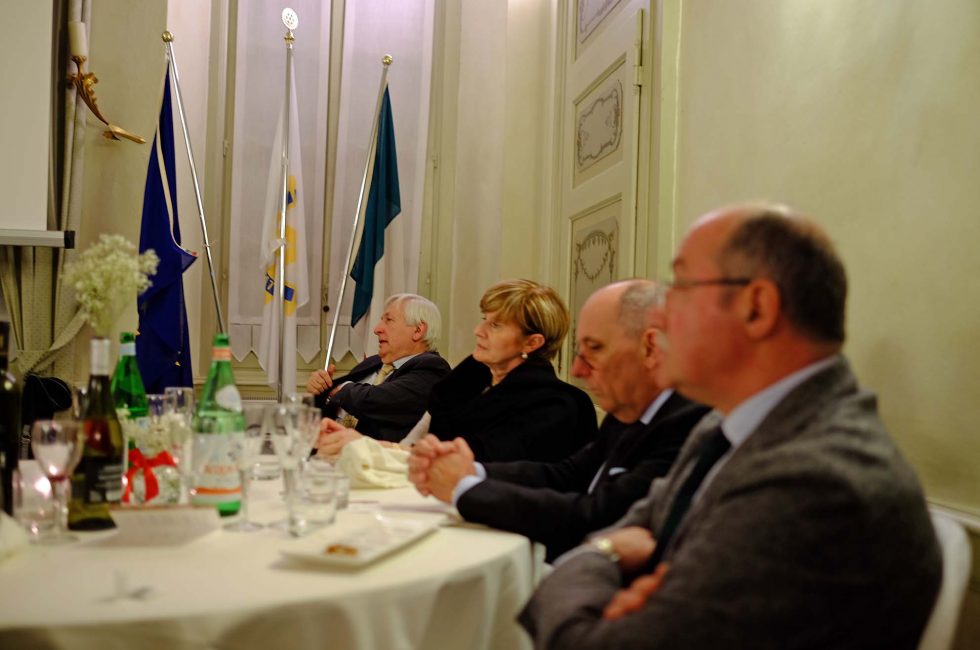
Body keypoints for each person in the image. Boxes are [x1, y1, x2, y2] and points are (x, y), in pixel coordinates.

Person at [520, 204, 942, 649]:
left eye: (680, 288)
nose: (658, 317)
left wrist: (597, 556)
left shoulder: (813, 482)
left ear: (756, 308)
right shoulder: (726, 425)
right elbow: (643, 522)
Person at [407, 280, 708, 561]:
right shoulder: (629, 410)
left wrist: (465, 488)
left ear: (651, 348)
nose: (577, 370)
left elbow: (596, 514)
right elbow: (568, 474)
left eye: (595, 348)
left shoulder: (690, 425)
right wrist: (474, 471)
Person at [316, 279, 597, 464]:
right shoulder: (463, 384)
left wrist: (363, 448)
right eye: (484, 319)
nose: (478, 330)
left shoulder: (556, 405)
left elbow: (476, 472)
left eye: (495, 325)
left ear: (532, 343)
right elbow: (412, 448)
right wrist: (356, 442)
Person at [307, 294, 450, 442]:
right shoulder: (372, 363)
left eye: (388, 320)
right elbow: (335, 403)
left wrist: (339, 388)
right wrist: (319, 392)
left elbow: (377, 402)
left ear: (418, 330)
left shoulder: (433, 368)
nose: (376, 329)